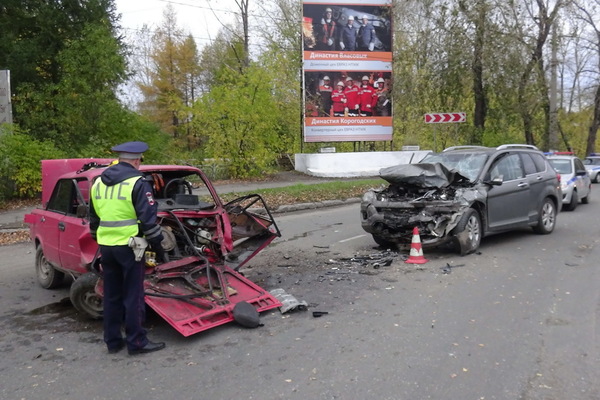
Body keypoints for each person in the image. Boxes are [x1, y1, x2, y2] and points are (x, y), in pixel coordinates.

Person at [90, 141, 166, 356]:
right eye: (140, 161)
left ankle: (113, 341)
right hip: (131, 245)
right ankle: (137, 343)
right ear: (136, 160)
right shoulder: (137, 182)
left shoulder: (98, 183)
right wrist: (159, 246)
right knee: (133, 294)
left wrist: (99, 238)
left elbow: (93, 218)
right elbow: (148, 220)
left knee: (112, 294)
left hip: (107, 246)